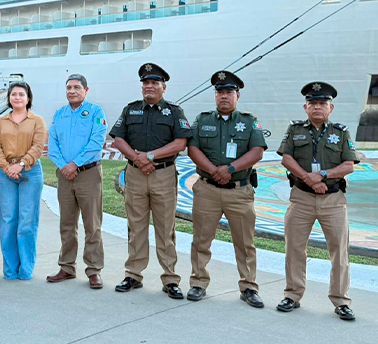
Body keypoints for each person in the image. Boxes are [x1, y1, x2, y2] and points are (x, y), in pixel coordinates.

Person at [276, 81, 359, 321]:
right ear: (305, 107)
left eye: (323, 103)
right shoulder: (295, 130)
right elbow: (286, 159)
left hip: (333, 200)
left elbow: (349, 165)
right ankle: (292, 295)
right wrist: (309, 180)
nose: (317, 107)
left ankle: (341, 301)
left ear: (331, 108)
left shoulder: (341, 133)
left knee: (339, 251)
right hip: (301, 198)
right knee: (294, 249)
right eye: (312, 103)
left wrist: (322, 175)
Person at [109, 63, 192, 299]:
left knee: (166, 228)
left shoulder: (174, 112)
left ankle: (170, 279)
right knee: (136, 227)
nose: (149, 86)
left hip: (163, 174)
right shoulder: (131, 110)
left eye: (155, 83)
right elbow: (118, 139)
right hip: (135, 174)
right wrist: (138, 158)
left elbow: (180, 143)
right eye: (146, 83)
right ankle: (133, 275)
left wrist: (150, 156)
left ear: (164, 87)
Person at [185, 71, 267, 307]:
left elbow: (257, 152)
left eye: (229, 92)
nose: (224, 96)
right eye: (220, 92)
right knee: (201, 240)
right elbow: (193, 149)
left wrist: (230, 169)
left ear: (237, 96)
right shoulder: (202, 120)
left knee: (245, 242)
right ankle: (198, 282)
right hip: (207, 189)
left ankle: (249, 286)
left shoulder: (249, 122)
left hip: (239, 191)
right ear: (215, 96)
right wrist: (214, 171)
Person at [46, 74, 107, 289]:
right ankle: (67, 267)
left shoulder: (96, 112)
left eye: (77, 87)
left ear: (86, 90)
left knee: (92, 224)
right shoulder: (60, 114)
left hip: (88, 174)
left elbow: (97, 141)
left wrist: (75, 164)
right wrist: (65, 166)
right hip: (65, 175)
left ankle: (94, 270)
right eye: (69, 87)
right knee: (67, 223)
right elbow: (52, 144)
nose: (72, 91)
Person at [0, 81, 47, 280]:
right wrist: (7, 167)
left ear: (28, 98)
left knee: (27, 221)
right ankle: (10, 269)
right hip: (6, 174)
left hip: (30, 173)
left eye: (21, 94)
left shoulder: (37, 121)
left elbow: (38, 146)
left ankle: (26, 269)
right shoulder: (0, 121)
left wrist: (21, 164)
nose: (17, 97)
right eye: (13, 94)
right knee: (8, 221)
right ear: (9, 98)